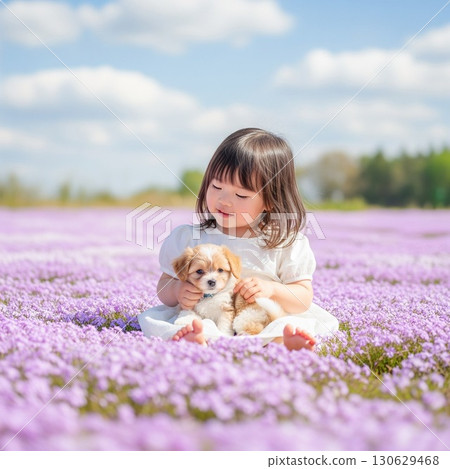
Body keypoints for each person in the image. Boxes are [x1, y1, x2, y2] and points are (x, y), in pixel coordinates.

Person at [138, 128, 339, 350]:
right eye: (216, 187)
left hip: (262, 316)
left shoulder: (286, 243)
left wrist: (272, 290)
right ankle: (196, 337)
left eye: (241, 195)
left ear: (271, 200)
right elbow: (164, 285)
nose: (224, 200)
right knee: (187, 322)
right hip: (208, 313)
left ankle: (284, 340)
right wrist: (177, 291)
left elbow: (302, 298)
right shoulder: (188, 238)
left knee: (284, 323)